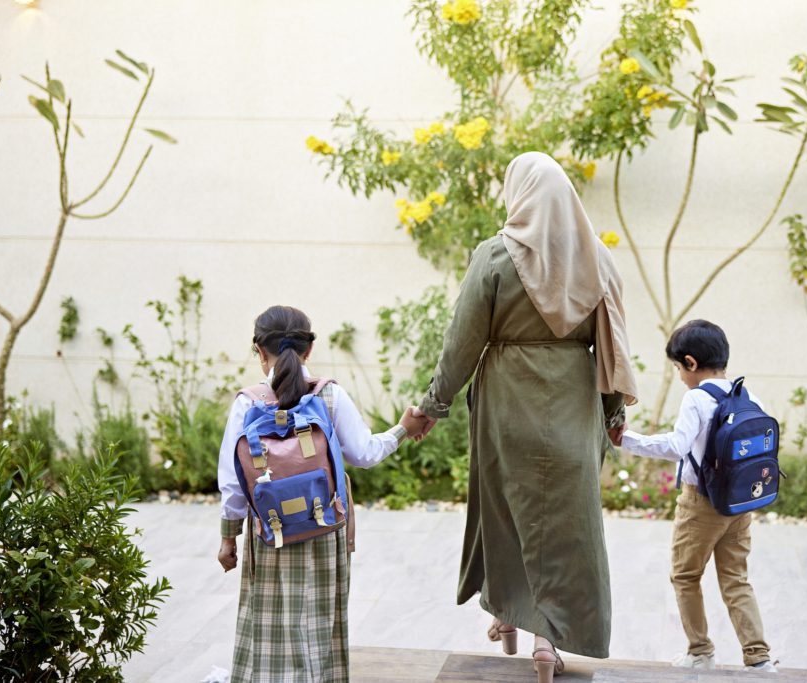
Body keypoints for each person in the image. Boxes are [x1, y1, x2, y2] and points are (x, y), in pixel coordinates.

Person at [412, 152, 638, 683]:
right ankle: (545, 639)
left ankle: (509, 615)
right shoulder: (598, 262)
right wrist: (612, 416)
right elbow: (612, 348)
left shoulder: (495, 256)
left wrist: (430, 405)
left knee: (507, 512)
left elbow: (461, 344)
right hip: (573, 403)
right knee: (565, 526)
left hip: (506, 404)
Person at [216, 305, 426, 683]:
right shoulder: (330, 396)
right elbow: (364, 454)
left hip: (270, 535)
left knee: (268, 626)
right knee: (318, 627)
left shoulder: (247, 403)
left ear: (259, 352)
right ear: (309, 350)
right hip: (323, 529)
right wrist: (402, 429)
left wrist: (228, 538)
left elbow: (232, 481)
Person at [612, 319, 777, 673]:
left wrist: (629, 439)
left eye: (677, 367)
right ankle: (759, 657)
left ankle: (700, 652)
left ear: (690, 363)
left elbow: (676, 447)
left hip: (701, 503)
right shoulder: (748, 395)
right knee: (735, 578)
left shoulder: (696, 398)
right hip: (739, 503)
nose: (680, 375)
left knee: (685, 576)